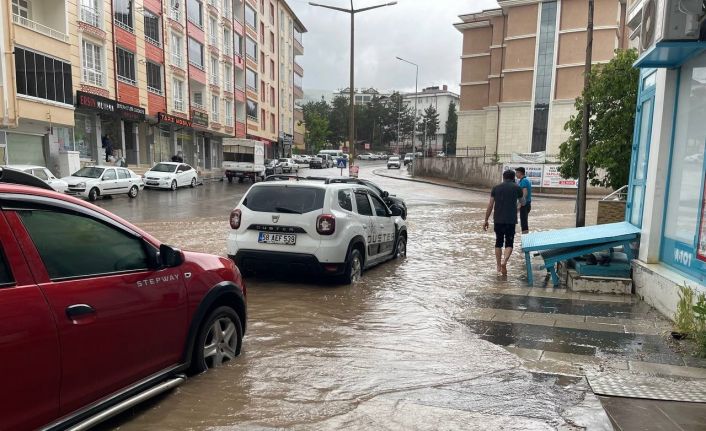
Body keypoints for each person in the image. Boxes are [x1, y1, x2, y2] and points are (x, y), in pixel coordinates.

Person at [484, 170, 523, 276]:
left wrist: (486, 220)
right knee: (509, 243)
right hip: (511, 220)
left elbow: (490, 205)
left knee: (498, 242)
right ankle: (504, 262)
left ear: (503, 177)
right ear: (513, 177)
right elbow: (523, 202)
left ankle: (498, 267)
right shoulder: (517, 188)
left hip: (498, 219)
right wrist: (517, 207)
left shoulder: (496, 188)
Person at [515, 167, 532, 234]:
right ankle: (525, 235)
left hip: (524, 204)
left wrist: (519, 204)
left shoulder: (524, 180)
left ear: (520, 173)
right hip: (527, 204)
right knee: (524, 220)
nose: (516, 174)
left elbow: (524, 193)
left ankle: (525, 237)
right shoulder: (525, 179)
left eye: (517, 172)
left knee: (524, 221)